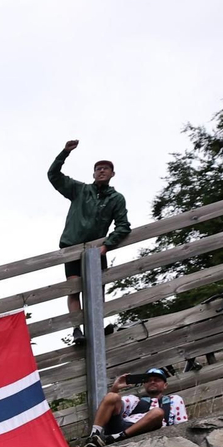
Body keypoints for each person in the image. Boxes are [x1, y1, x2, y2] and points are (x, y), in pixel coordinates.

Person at [49, 140, 131, 340]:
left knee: (96, 292)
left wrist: (106, 246)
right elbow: (54, 176)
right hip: (72, 248)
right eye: (98, 169)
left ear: (112, 174)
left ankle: (96, 328)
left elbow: (123, 226)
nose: (101, 171)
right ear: (93, 173)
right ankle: (77, 330)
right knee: (74, 287)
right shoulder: (80, 190)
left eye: (106, 169)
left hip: (97, 250)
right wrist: (65, 153)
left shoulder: (116, 198)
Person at [87, 368, 188, 447]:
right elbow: (111, 404)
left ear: (165, 385)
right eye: (148, 380)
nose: (152, 382)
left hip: (151, 428)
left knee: (157, 412)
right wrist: (115, 388)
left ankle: (119, 437)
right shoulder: (136, 400)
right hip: (124, 426)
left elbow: (182, 424)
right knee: (112, 396)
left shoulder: (174, 400)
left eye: (157, 380)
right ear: (144, 384)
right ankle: (94, 436)